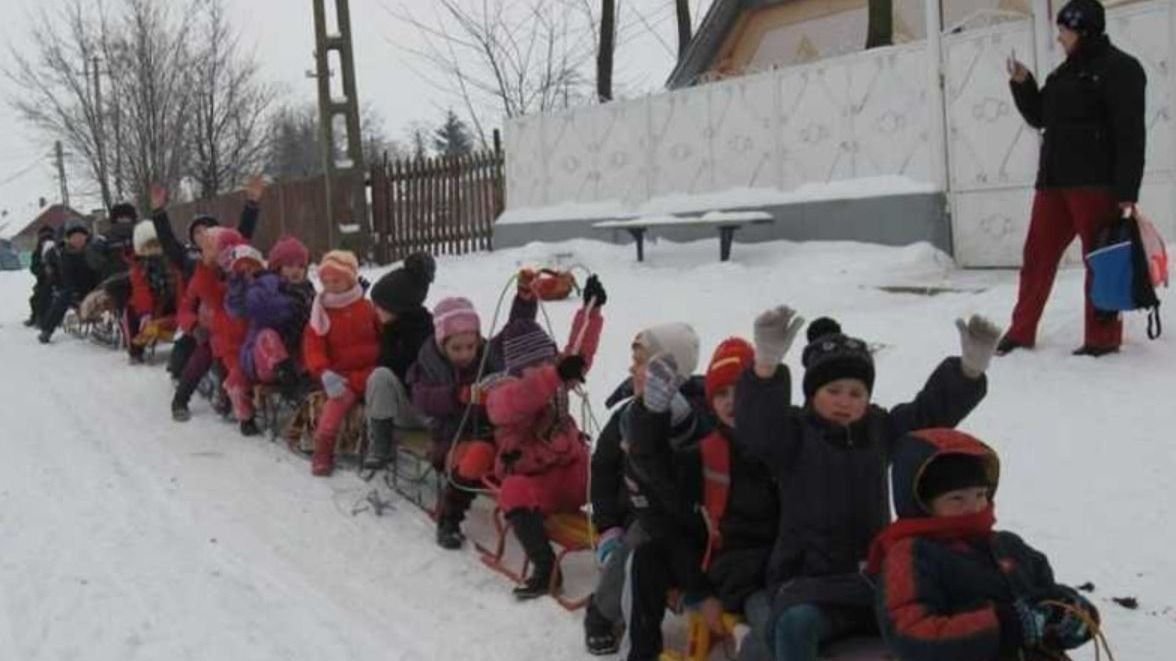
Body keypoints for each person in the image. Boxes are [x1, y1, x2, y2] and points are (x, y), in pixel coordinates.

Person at [735, 309, 999, 660]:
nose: (845, 401)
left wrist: (969, 371)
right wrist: (765, 367)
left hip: (872, 581)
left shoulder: (880, 430)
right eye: (834, 390)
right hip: (807, 583)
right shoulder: (793, 436)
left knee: (935, 621)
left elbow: (928, 414)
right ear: (812, 394)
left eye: (856, 393)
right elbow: (758, 429)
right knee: (796, 625)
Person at [869, 428, 1100, 660]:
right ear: (923, 504)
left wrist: (1072, 615)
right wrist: (1006, 626)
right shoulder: (911, 555)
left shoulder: (1008, 546)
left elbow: (1047, 595)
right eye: (957, 498)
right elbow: (911, 634)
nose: (973, 507)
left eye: (980, 495)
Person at [1001, 0, 1146, 357]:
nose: (1060, 38)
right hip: (1053, 182)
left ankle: (1102, 338)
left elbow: (1131, 134)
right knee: (1036, 257)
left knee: (1100, 261)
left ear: (1082, 29)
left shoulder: (1121, 69)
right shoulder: (1063, 74)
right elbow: (1040, 116)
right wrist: (1024, 83)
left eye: (1064, 30)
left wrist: (1127, 190)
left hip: (1096, 183)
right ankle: (1021, 331)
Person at [585, 323, 708, 656]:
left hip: (678, 515)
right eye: (634, 360)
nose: (631, 368)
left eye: (641, 362)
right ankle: (600, 613)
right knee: (635, 542)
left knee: (649, 538)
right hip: (634, 512)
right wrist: (608, 524)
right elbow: (604, 468)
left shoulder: (694, 417)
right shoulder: (626, 416)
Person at [482, 275, 606, 600]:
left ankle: (624, 537)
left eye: (549, 361)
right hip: (538, 486)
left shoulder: (556, 376)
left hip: (574, 472)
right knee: (513, 491)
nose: (548, 369)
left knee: (609, 466)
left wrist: (591, 311)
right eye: (538, 365)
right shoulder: (501, 393)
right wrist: (553, 376)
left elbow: (578, 353)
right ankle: (545, 565)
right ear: (518, 368)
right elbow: (520, 399)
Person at [408, 296, 502, 549]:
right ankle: (448, 519)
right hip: (452, 438)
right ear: (442, 344)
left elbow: (516, 329)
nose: (465, 354)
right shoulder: (429, 365)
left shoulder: (488, 358)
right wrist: (456, 395)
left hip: (494, 432)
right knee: (478, 456)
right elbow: (422, 398)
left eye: (470, 347)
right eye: (457, 348)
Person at [303, 250, 381, 476]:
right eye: (325, 281)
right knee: (335, 405)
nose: (330, 285)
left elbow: (382, 334)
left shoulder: (367, 308)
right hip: (341, 376)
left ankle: (381, 445)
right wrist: (323, 371)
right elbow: (313, 346)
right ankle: (323, 447)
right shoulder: (321, 312)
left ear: (350, 280)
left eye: (336, 280)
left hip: (370, 371)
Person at [365, 252, 437, 469]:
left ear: (399, 306)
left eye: (380, 306)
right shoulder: (389, 329)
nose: (375, 310)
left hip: (430, 411)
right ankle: (381, 444)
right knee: (379, 376)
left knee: (380, 375)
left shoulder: (426, 333)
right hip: (404, 408)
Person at [38, 221, 101, 344]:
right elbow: (65, 277)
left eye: (81, 236)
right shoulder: (64, 255)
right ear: (69, 239)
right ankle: (47, 330)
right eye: (74, 237)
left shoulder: (92, 250)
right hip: (73, 288)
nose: (78, 240)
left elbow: (99, 269)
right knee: (63, 296)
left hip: (94, 286)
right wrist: (73, 292)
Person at [25, 225, 57, 328]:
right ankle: (36, 317)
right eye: (44, 238)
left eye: (49, 238)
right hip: (43, 281)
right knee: (36, 299)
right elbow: (34, 267)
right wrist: (43, 272)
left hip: (58, 280)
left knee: (46, 297)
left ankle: (47, 319)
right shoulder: (37, 253)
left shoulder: (57, 249)